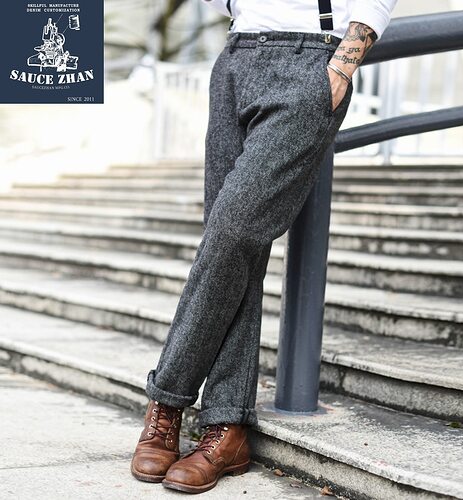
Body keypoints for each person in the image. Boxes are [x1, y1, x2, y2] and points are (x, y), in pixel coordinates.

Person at [131, 0, 397, 494]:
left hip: (311, 59)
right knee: (233, 254)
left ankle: (166, 400)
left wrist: (341, 65)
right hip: (235, 58)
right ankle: (226, 429)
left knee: (232, 231)